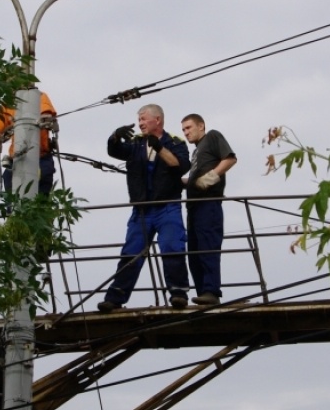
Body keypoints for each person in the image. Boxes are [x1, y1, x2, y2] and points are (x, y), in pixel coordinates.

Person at [98, 104, 191, 312]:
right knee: (131, 252)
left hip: (167, 206)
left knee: (172, 246)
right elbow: (114, 151)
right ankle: (115, 297)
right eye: (138, 120)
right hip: (141, 210)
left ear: (157, 120)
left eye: (143, 119)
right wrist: (114, 137)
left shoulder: (175, 142)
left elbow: (180, 165)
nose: (140, 123)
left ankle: (178, 293)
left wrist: (158, 147)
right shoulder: (135, 144)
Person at [181, 114, 236, 305]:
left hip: (208, 203)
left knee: (207, 248)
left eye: (188, 128)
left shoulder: (212, 136)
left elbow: (230, 159)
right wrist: (184, 182)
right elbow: (196, 179)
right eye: (184, 130)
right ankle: (203, 293)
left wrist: (211, 177)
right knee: (194, 253)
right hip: (193, 206)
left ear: (201, 126)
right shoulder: (196, 152)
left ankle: (211, 291)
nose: (186, 133)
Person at [0, 91, 58, 196]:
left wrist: (42, 120)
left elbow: (46, 116)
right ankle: (11, 211)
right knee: (11, 194)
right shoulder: (9, 102)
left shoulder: (38, 96)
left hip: (41, 159)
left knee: (39, 200)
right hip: (17, 161)